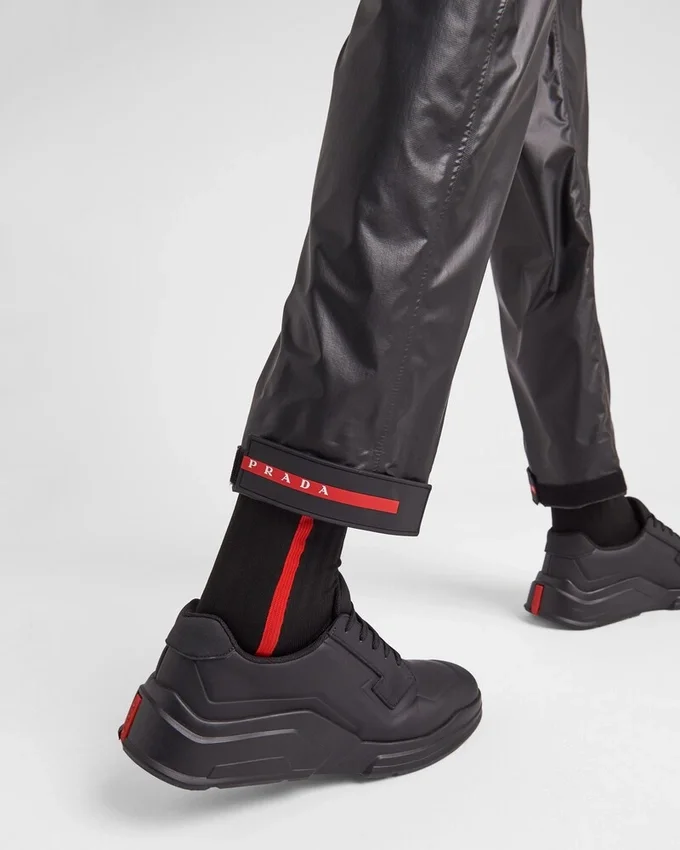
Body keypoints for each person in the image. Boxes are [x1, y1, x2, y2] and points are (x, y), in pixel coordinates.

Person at [118, 0, 680, 789]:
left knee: (526, 57)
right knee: (464, 29)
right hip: (267, 618)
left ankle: (596, 525)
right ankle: (266, 623)